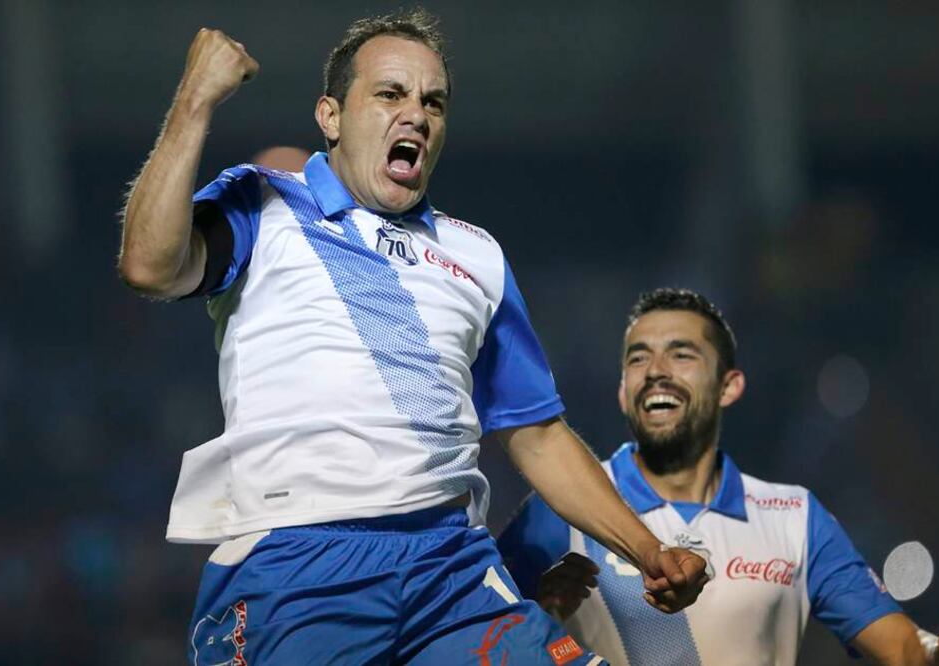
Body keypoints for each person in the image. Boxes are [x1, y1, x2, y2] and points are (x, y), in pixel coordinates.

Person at [117, 9, 707, 665]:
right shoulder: (265, 205)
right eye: (390, 94)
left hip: (451, 570)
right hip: (299, 567)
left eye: (433, 102)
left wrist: (649, 552)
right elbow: (147, 264)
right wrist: (196, 100)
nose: (416, 115)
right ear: (331, 116)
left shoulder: (475, 256)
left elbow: (535, 434)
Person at [498, 287, 939, 666]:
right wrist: (540, 625)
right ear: (621, 391)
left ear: (730, 386)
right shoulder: (562, 506)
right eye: (639, 359)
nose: (656, 370)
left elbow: (908, 651)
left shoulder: (795, 518)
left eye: (681, 354)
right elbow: (474, 639)